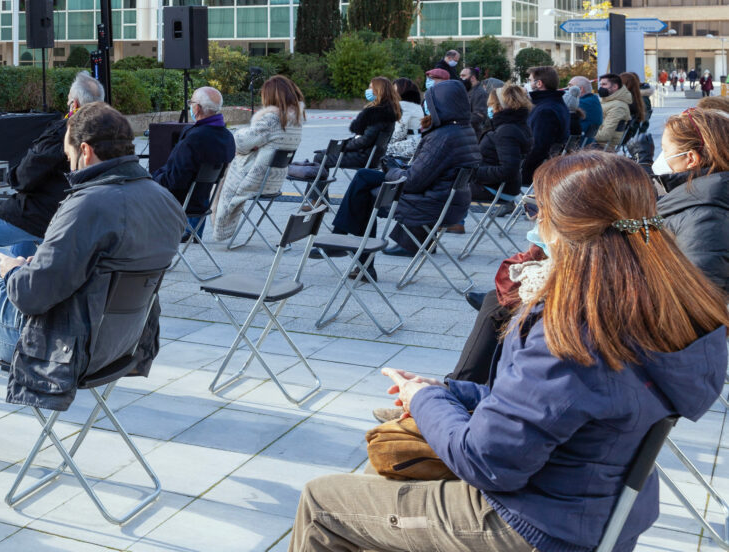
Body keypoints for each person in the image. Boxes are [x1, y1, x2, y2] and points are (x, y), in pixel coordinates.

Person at [293, 151, 729, 552]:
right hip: (594, 507)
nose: (534, 223)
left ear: (566, 227)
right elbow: (557, 406)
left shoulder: (575, 329)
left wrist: (424, 400)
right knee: (386, 471)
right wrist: (446, 392)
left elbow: (487, 460)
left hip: (533, 523)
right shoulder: (665, 302)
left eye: (537, 210)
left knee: (322, 502)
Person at [0, 102, 183, 465]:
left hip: (59, 346)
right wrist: (37, 263)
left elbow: (29, 297)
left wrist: (13, 271)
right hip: (121, 346)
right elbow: (102, 270)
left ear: (85, 150)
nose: (69, 166)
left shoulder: (89, 204)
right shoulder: (165, 201)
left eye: (69, 157)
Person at [0, 71, 105, 258]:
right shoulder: (109, 133)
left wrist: (12, 176)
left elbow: (26, 176)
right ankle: (20, 271)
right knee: (23, 241)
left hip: (45, 215)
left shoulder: (64, 132)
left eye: (69, 99)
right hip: (74, 215)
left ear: (74, 104)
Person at [381, 79, 481, 254]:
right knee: (366, 178)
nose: (426, 106)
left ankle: (359, 250)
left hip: (433, 205)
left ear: (441, 104)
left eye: (430, 102)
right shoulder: (464, 130)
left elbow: (413, 182)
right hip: (452, 202)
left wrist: (391, 171)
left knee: (367, 192)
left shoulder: (443, 136)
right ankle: (412, 242)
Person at [211, 75, 305, 243]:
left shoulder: (272, 119)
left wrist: (248, 141)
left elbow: (239, 142)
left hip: (256, 180)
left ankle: (220, 228)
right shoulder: (296, 120)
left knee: (220, 176)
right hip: (274, 180)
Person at [653, 107, 729, 294]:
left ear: (691, 158)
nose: (662, 157)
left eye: (665, 150)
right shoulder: (703, 198)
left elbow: (698, 298)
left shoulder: (705, 219)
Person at [151, 85, 236, 240]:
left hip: (180, 199)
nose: (190, 106)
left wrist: (152, 179)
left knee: (134, 192)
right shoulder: (227, 137)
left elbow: (175, 181)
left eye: (191, 102)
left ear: (197, 108)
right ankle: (193, 231)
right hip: (202, 201)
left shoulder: (194, 138)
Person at [472, 83, 532, 202]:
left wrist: (473, 172)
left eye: (491, 104)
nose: (489, 107)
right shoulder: (517, 125)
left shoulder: (506, 130)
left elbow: (508, 170)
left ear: (499, 106)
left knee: (442, 190)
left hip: (494, 189)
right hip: (502, 187)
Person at [325, 76, 400, 170]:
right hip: (372, 157)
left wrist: (342, 147)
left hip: (363, 157)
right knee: (325, 153)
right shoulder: (388, 112)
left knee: (320, 157)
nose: (367, 90)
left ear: (378, 91)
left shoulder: (377, 115)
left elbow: (365, 140)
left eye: (370, 87)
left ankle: (317, 180)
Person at [521, 66, 569, 186]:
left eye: (530, 80)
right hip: (545, 168)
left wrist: (520, 168)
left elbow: (538, 147)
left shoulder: (545, 110)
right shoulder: (556, 103)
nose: (528, 84)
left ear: (539, 83)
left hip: (534, 172)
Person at [385, 77, 426, 160]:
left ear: (402, 90)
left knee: (379, 149)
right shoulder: (416, 105)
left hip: (410, 144)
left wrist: (384, 141)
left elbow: (400, 133)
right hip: (418, 141)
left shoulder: (403, 105)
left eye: (394, 90)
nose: (392, 93)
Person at [594, 72, 632, 149]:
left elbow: (605, 135)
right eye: (600, 85)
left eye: (604, 84)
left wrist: (582, 133)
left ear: (615, 87)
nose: (601, 88)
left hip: (601, 146)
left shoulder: (618, 107)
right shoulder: (607, 101)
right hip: (595, 143)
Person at [567, 75, 602, 144]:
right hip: (585, 143)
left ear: (580, 89)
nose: (567, 89)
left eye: (570, 86)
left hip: (575, 144)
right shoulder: (593, 101)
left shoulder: (581, 103)